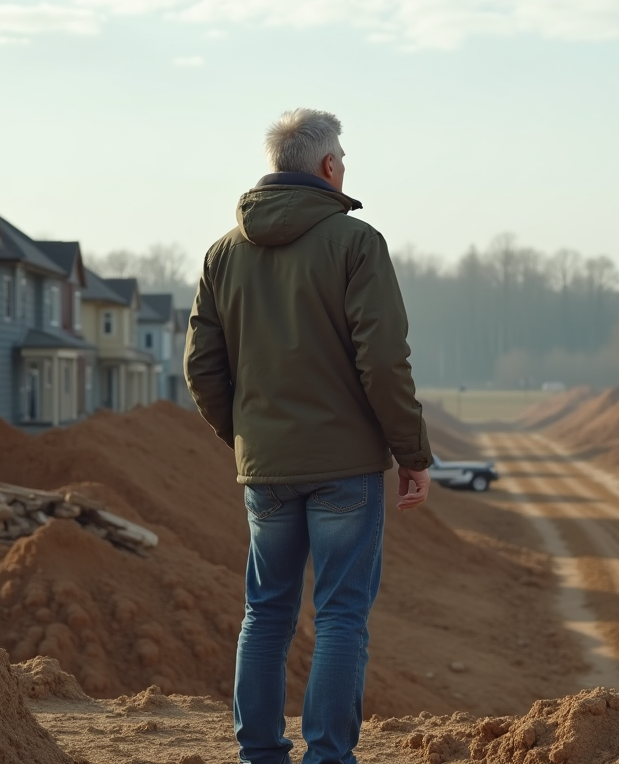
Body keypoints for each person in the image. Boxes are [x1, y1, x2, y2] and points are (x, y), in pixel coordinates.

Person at [184, 108, 432, 764]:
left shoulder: (222, 254)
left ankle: (260, 755)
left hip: (266, 468)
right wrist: (411, 453)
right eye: (342, 157)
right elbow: (383, 361)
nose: (345, 166)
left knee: (265, 613)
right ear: (327, 166)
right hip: (345, 468)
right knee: (341, 616)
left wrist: (249, 436)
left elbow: (201, 368)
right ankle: (328, 757)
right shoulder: (356, 243)